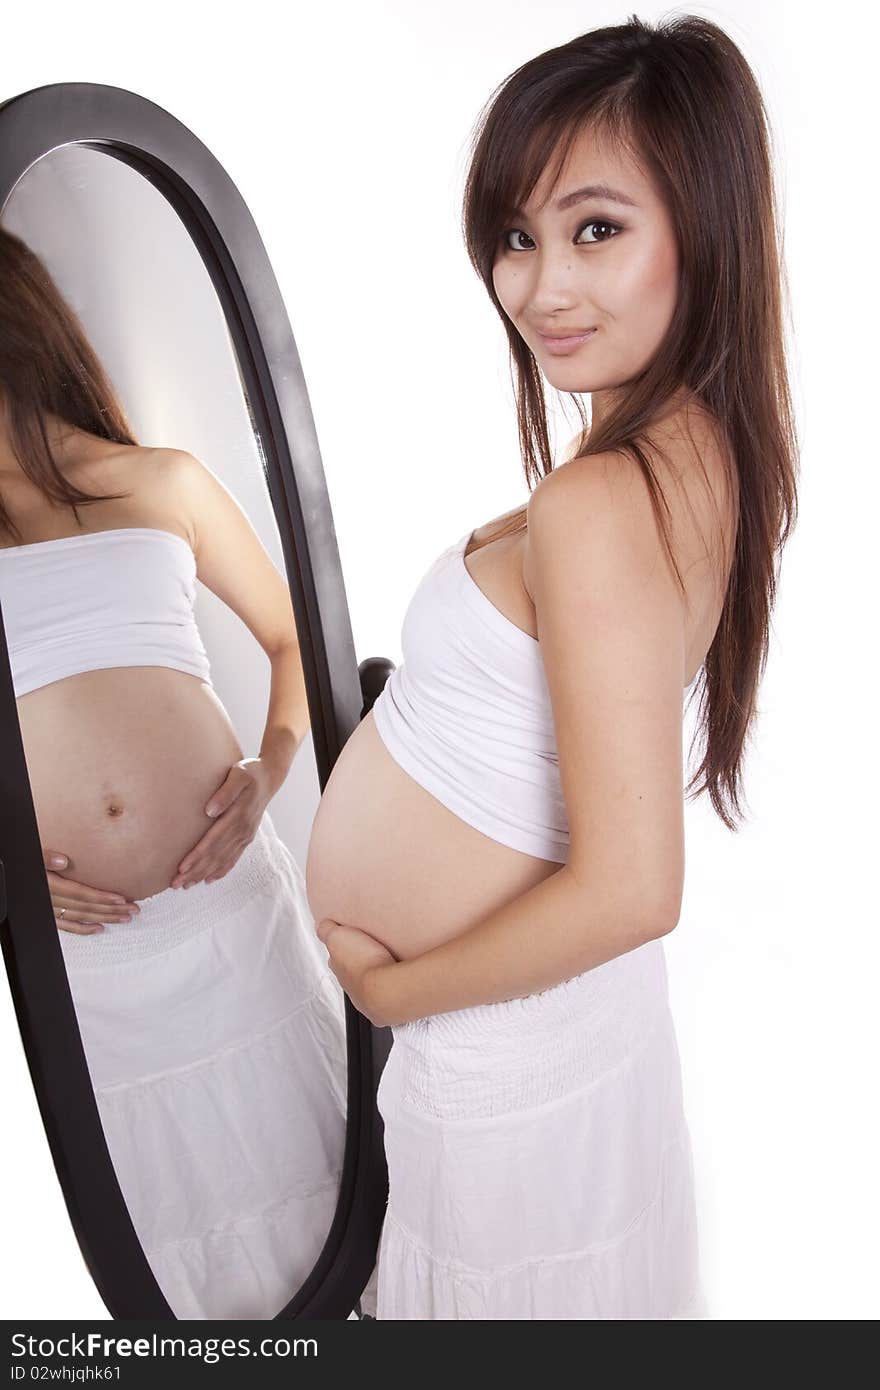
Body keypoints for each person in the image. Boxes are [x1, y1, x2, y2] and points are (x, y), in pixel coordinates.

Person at [314, 13, 799, 1319]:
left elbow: (636, 885)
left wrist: (387, 987)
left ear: (706, 225)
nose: (540, 287)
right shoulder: (709, 455)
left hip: (504, 1062)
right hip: (564, 1051)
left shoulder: (602, 503)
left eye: (596, 229)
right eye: (517, 238)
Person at [0, 225, 349, 1319]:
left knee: (316, 1183)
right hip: (81, 964)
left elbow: (301, 642)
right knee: (162, 1233)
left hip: (230, 915)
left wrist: (269, 765)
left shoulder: (159, 478)